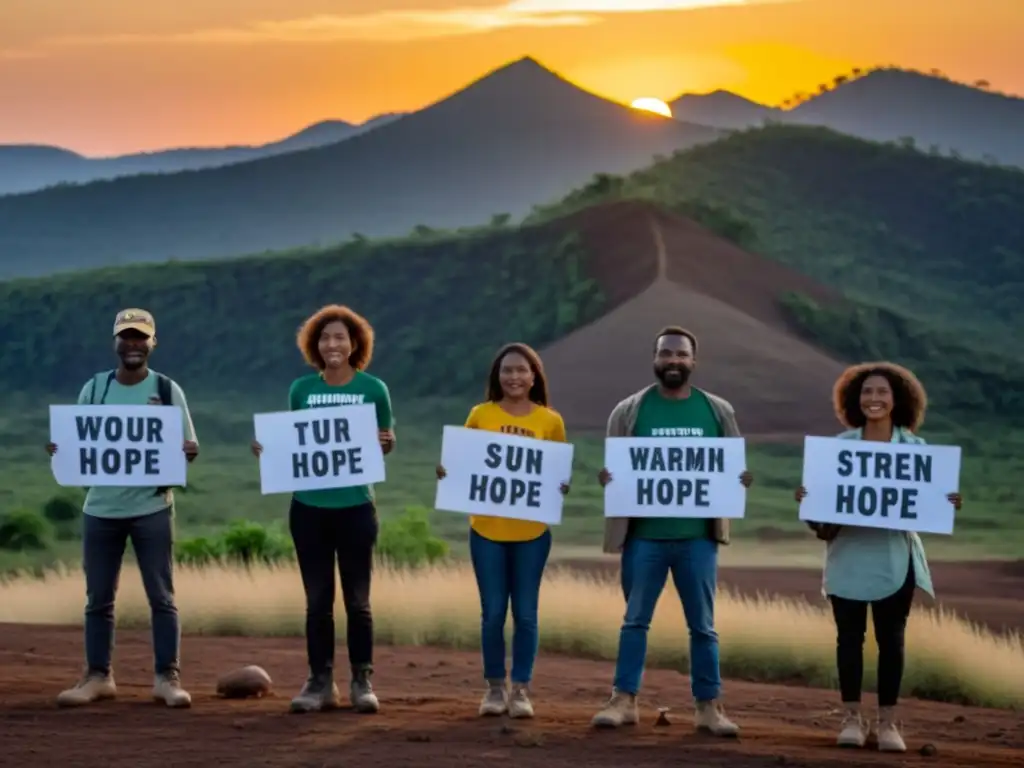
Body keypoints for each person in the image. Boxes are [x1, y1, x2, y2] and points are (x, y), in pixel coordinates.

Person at [590, 326, 753, 736]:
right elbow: (618, 468)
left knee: (703, 625)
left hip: (697, 539)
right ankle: (623, 701)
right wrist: (609, 478)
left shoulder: (717, 411)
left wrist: (740, 479)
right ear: (655, 359)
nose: (674, 361)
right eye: (666, 354)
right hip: (643, 538)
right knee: (634, 621)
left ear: (694, 361)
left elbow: (733, 465)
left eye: (681, 354)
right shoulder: (628, 411)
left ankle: (709, 707)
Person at [795, 362, 962, 752]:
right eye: (867, 392)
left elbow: (928, 502)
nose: (874, 399)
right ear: (855, 399)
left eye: (882, 392)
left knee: (892, 641)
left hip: (894, 558)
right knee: (848, 640)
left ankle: (888, 723)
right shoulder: (838, 448)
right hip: (848, 556)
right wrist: (809, 501)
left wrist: (947, 501)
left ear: (897, 399)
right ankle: (852, 718)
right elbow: (821, 518)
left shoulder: (917, 452)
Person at [45, 308, 199, 709]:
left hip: (152, 508)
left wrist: (189, 452)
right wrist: (62, 452)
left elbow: (186, 447)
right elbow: (78, 449)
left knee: (162, 597)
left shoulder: (168, 391)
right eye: (126, 336)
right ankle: (98, 676)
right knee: (98, 599)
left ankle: (168, 678)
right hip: (100, 509)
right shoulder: (94, 390)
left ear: (153, 343)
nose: (133, 344)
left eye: (141, 337)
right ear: (115, 342)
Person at [252, 304, 395, 715]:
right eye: (325, 338)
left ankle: (361, 680)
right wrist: (268, 448)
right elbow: (295, 442)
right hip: (308, 508)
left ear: (355, 344)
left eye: (340, 337)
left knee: (358, 601)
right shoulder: (301, 390)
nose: (333, 344)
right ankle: (319, 681)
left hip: (356, 508)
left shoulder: (374, 389)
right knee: (317, 601)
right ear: (315, 345)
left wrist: (387, 443)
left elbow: (387, 438)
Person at [435, 343, 569, 719]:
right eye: (507, 370)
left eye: (521, 370)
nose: (514, 377)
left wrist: (562, 485)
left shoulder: (550, 421)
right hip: (486, 532)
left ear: (534, 376)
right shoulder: (481, 414)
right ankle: (495, 688)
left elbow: (558, 470)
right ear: (497, 375)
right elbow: (461, 462)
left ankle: (522, 689)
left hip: (532, 535)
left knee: (526, 614)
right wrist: (447, 473)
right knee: (493, 613)